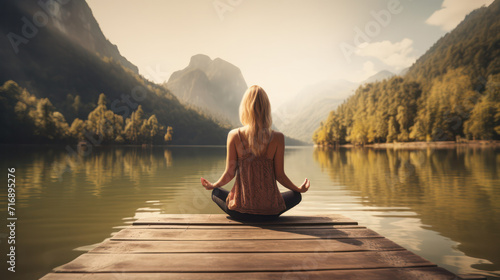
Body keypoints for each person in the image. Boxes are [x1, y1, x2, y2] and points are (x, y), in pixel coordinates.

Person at [200, 85, 310, 221]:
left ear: (245, 108)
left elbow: (229, 173)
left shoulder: (234, 135)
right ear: (266, 109)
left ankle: (243, 210)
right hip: (270, 212)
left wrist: (214, 185)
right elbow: (280, 176)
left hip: (241, 211)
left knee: (216, 192)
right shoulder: (278, 138)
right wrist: (298, 189)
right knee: (296, 196)